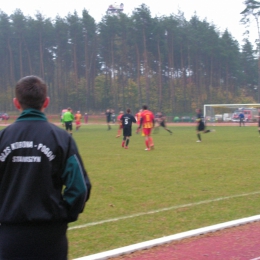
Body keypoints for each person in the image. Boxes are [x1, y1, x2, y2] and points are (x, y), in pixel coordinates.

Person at [0, 75, 91, 260]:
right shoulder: (62, 139)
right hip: (51, 237)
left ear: (16, 103)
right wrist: (65, 215)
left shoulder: (2, 138)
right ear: (46, 102)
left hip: (9, 236)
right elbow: (79, 188)